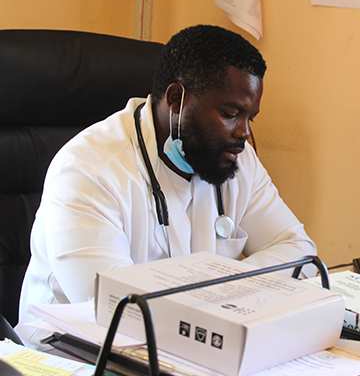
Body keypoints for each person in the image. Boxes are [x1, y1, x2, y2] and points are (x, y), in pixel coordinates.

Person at [17, 25, 316, 342]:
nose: (243, 133)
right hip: (73, 352)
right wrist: (234, 293)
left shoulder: (237, 161)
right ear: (176, 99)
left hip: (191, 344)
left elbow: (301, 253)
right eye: (230, 114)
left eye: (249, 118)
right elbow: (117, 310)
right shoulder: (88, 169)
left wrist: (223, 287)